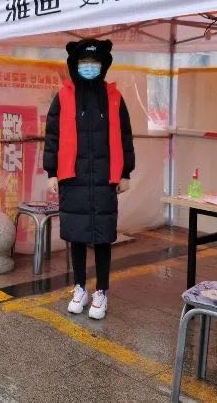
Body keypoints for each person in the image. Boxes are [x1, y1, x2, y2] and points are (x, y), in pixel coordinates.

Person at [43, 39, 135, 320]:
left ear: (103, 65)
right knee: (77, 236)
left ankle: (102, 291)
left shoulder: (114, 97)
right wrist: (51, 172)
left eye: (94, 63)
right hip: (73, 177)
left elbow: (126, 136)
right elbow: (52, 136)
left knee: (104, 236)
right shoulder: (63, 96)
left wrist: (126, 172)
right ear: (74, 65)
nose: (89, 67)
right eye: (84, 62)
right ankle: (80, 288)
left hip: (105, 178)